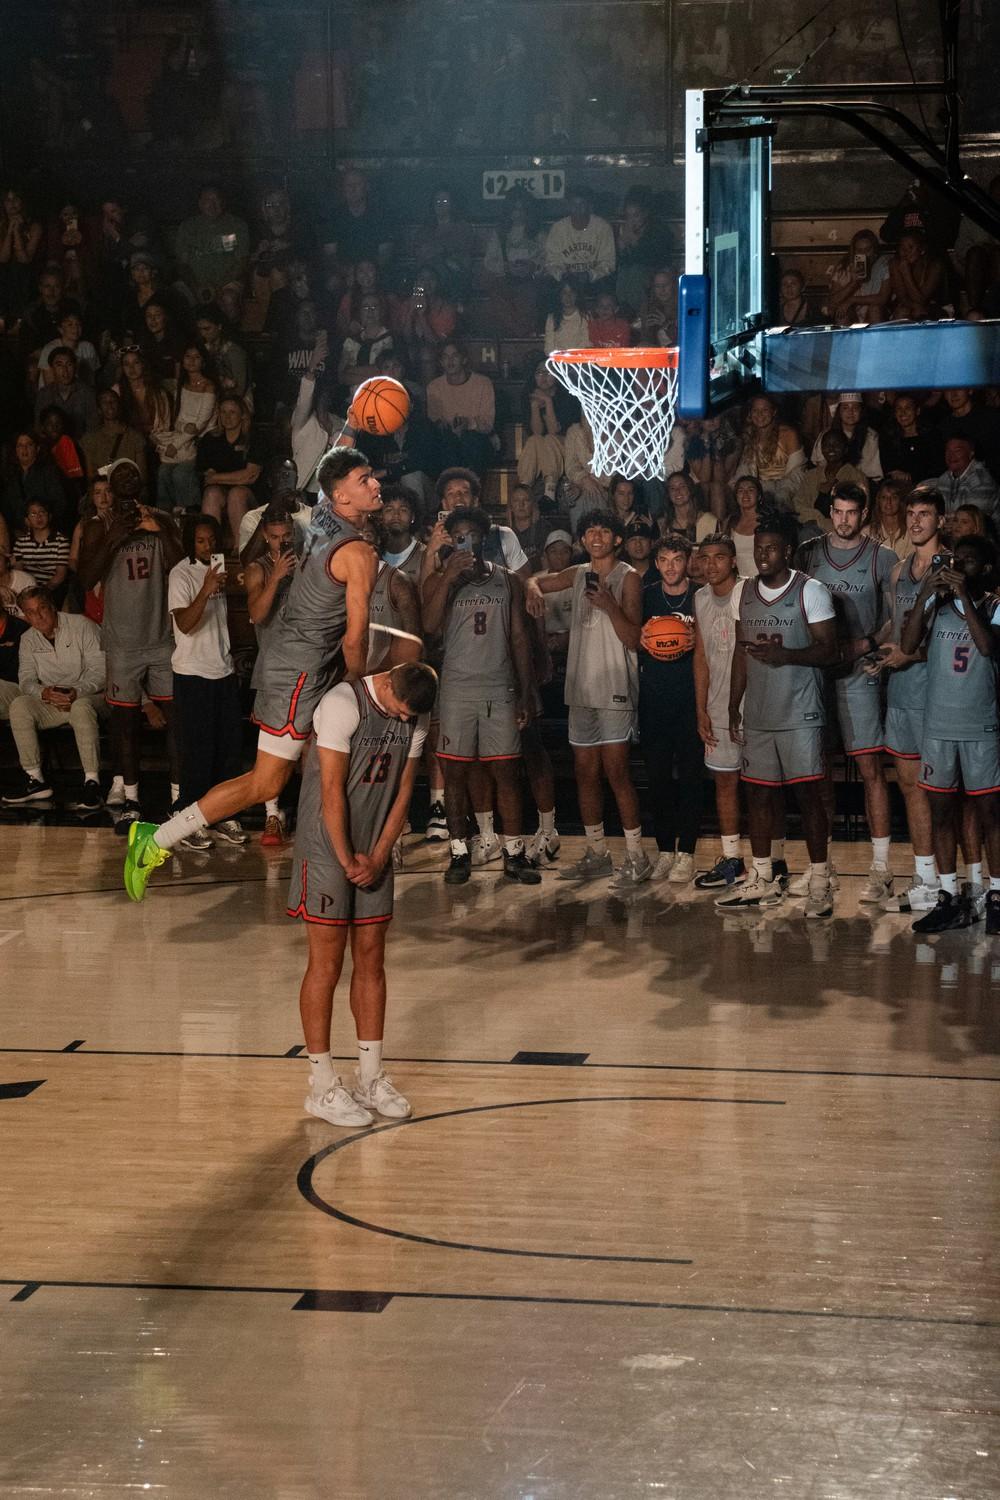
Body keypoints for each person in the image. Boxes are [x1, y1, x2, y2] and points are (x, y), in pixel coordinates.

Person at [123, 448, 382, 901]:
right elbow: (356, 640)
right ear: (340, 494)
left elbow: (317, 489)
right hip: (301, 670)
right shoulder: (357, 552)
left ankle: (333, 861)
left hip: (294, 661)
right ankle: (155, 839)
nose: (376, 484)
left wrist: (349, 437)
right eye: (365, 479)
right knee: (266, 782)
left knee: (320, 767)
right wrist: (359, 693)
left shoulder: (322, 517)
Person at [290, 661, 437, 1127]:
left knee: (372, 958)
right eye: (395, 712)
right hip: (327, 841)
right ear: (387, 682)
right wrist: (348, 856)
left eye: (406, 718)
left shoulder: (415, 710)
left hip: (373, 844)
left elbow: (404, 790)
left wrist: (379, 854)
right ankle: (321, 1086)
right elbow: (331, 789)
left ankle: (370, 1076)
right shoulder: (341, 704)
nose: (399, 721)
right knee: (327, 963)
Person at [717, 511, 838, 917]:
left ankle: (821, 878)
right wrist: (734, 703)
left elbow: (829, 650)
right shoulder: (742, 592)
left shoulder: (812, 591)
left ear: (787, 550)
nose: (763, 555)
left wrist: (785, 655)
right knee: (759, 796)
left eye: (770, 549)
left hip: (801, 712)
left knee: (807, 796)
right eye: (757, 549)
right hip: (760, 713)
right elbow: (739, 652)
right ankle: (763, 876)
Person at [526, 510, 648, 888]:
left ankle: (637, 856)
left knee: (617, 773)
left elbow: (633, 639)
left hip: (614, 688)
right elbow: (534, 581)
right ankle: (597, 852)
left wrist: (609, 604)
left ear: (616, 539)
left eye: (604, 531)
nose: (596, 537)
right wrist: (531, 587)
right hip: (580, 689)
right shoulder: (578, 573)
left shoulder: (628, 578)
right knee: (584, 773)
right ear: (583, 540)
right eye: (590, 531)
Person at [420, 507, 540, 887]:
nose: (465, 541)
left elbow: (519, 637)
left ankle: (514, 853)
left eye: (471, 535)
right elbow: (428, 625)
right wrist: (447, 576)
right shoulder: (442, 581)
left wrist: (526, 689)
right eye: (458, 536)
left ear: (483, 540)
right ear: (450, 542)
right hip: (457, 689)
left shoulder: (506, 580)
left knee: (506, 772)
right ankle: (459, 853)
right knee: (455, 773)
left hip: (498, 686)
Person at [798, 484, 897, 903]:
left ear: (865, 514)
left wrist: (866, 645)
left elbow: (897, 619)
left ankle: (881, 869)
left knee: (870, 768)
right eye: (837, 511)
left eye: (851, 513)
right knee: (818, 769)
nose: (843, 520)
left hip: (859, 672)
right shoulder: (808, 553)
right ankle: (824, 868)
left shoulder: (883, 557)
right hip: (817, 673)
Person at [77, 460, 184, 834]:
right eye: (118, 474)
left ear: (141, 480)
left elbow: (181, 565)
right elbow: (86, 578)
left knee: (176, 722)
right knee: (125, 726)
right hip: (122, 641)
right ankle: (132, 800)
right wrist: (114, 540)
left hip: (161, 637)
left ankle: (178, 800)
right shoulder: (98, 526)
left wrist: (159, 531)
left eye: (132, 473)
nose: (126, 478)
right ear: (109, 482)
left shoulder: (162, 519)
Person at [901, 534, 1000, 934]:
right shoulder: (936, 602)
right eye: (956, 560)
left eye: (969, 562)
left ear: (987, 569)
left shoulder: (994, 604)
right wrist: (927, 589)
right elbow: (908, 644)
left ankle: (995, 896)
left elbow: (988, 648)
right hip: (938, 726)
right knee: (941, 814)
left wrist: (963, 597)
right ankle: (947, 896)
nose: (959, 567)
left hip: (980, 725)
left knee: (991, 816)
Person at [874, 490, 946, 913]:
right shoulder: (900, 570)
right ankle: (925, 878)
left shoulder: (949, 568)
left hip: (936, 692)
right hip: (901, 690)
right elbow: (897, 625)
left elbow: (957, 636)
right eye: (912, 514)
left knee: (938, 790)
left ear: (941, 519)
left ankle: (954, 881)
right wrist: (874, 646)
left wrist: (908, 654)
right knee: (907, 785)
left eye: (925, 514)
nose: (916, 521)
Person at [167, 514, 247, 851]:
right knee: (196, 755)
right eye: (201, 541)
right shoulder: (180, 573)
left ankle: (223, 814)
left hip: (223, 670)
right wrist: (206, 589)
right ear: (190, 543)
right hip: (192, 673)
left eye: (212, 540)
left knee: (228, 751)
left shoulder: (221, 571)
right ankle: (187, 821)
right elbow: (184, 623)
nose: (208, 546)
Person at [1, 586, 105, 810]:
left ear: (52, 606)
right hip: (52, 699)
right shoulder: (28, 639)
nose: (38, 616)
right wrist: (44, 693)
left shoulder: (82, 626)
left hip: (90, 696)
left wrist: (76, 691)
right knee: (20, 705)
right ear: (24, 615)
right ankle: (35, 779)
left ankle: (92, 781)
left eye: (42, 609)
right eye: (30, 612)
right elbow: (26, 679)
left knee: (81, 707)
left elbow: (102, 671)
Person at [638, 535, 702, 884]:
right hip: (655, 698)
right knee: (658, 778)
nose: (671, 566)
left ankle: (687, 853)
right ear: (657, 563)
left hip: (690, 699)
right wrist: (642, 637)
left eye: (678, 559)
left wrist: (699, 639)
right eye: (664, 559)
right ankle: (664, 849)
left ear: (688, 561)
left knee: (691, 778)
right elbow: (632, 638)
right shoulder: (647, 596)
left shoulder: (701, 595)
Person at [693, 535, 755, 891]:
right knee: (724, 782)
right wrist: (701, 708)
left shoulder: (750, 592)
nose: (712, 564)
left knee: (763, 789)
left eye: (720, 557)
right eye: (706, 558)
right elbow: (700, 657)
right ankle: (733, 860)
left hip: (754, 704)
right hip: (717, 705)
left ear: (733, 561)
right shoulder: (700, 597)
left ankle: (771, 861)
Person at [244, 504, 297, 847]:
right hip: (273, 670)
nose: (280, 543)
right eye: (274, 537)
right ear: (265, 536)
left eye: (286, 536)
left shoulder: (309, 566)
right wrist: (276, 577)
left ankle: (308, 813)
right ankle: (272, 815)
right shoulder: (257, 568)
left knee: (312, 749)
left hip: (309, 667)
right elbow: (257, 615)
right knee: (271, 750)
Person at [153, 343, 219, 515]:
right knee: (163, 473)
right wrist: (181, 430)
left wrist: (176, 444)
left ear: (203, 361)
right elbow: (180, 419)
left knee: (181, 474)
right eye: (188, 356)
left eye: (196, 357)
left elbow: (200, 423)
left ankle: (189, 513)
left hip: (201, 440)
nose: (191, 361)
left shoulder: (208, 386)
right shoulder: (181, 385)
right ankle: (165, 516)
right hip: (181, 435)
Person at [197, 395, 266, 545]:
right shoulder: (210, 439)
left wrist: (217, 477)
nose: (227, 417)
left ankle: (241, 548)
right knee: (211, 493)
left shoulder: (254, 438)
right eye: (223, 412)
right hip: (220, 492)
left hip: (250, 495)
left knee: (236, 494)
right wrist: (225, 478)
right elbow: (207, 477)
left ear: (242, 415)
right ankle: (211, 549)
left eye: (232, 412)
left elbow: (250, 476)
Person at [425, 342, 497, 477]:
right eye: (445, 357)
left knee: (471, 441)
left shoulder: (482, 383)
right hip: (448, 441)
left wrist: (468, 423)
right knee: (446, 444)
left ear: (464, 359)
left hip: (477, 440)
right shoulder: (434, 387)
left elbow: (488, 424)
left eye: (455, 356)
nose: (450, 361)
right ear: (441, 362)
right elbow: (434, 419)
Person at [175, 185, 249, 302]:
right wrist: (196, 287)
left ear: (223, 202)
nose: (212, 205)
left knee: (229, 300)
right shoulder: (187, 227)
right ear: (200, 203)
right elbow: (182, 264)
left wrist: (217, 287)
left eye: (216, 200)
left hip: (227, 283)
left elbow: (242, 262)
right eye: (207, 201)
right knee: (177, 299)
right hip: (194, 284)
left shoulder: (238, 225)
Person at [518, 359, 577, 503]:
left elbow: (554, 431)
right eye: (539, 372)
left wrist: (548, 402)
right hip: (542, 449)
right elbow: (536, 433)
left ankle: (549, 491)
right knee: (533, 440)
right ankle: (524, 488)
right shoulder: (529, 397)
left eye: (548, 372)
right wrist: (534, 407)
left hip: (566, 448)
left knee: (550, 439)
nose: (543, 376)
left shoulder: (568, 397)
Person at [544, 189, 615, 285]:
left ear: (589, 206)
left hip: (596, 281)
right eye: (574, 204)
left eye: (582, 204)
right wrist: (562, 275)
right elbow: (551, 262)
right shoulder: (558, 228)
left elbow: (608, 263)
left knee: (605, 299)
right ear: (568, 206)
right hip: (566, 280)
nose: (577, 208)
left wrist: (590, 275)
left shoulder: (603, 227)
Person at [2, 434, 66, 534]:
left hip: (47, 532)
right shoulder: (10, 476)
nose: (24, 449)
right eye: (20, 445)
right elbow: (6, 508)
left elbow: (59, 503)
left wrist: (43, 525)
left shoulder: (49, 472)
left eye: (29, 444)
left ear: (37, 448)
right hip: (17, 534)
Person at [79, 388, 147, 482]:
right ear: (99, 409)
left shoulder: (135, 437)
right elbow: (91, 476)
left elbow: (142, 475)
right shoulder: (90, 440)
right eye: (104, 402)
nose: (109, 405)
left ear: (119, 406)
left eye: (113, 401)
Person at [923, 436, 1000, 520]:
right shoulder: (945, 478)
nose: (951, 455)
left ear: (971, 453)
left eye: (957, 451)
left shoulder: (982, 481)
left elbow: (971, 523)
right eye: (948, 451)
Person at [12, 499, 70, 600]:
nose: (39, 517)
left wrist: (42, 591)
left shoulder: (61, 541)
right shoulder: (20, 543)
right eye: (33, 514)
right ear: (27, 520)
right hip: (27, 590)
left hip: (51, 591)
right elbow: (19, 569)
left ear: (49, 516)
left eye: (42, 512)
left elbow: (60, 574)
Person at [33, 347, 97, 438]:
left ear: (75, 366)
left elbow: (93, 429)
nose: (65, 370)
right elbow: (39, 428)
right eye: (59, 365)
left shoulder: (87, 393)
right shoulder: (44, 394)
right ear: (52, 368)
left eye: (69, 364)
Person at [543, 281, 589, 354]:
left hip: (579, 359)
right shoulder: (552, 318)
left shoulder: (584, 317)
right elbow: (548, 347)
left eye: (572, 292)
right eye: (564, 293)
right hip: (558, 360)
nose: (568, 296)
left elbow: (586, 343)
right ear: (559, 295)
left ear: (577, 295)